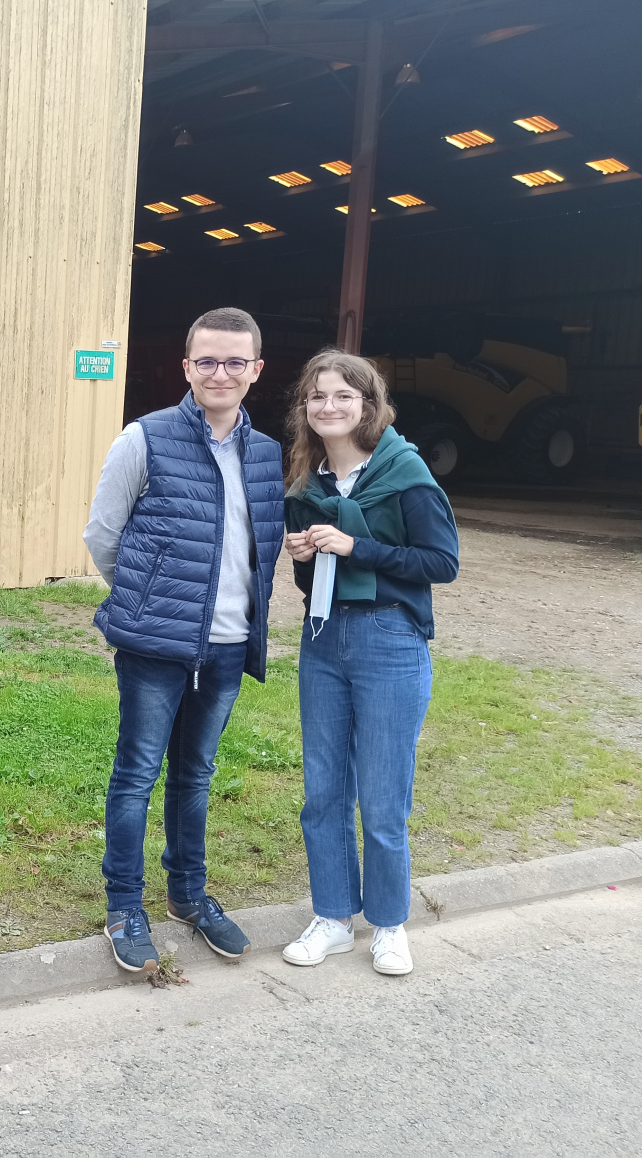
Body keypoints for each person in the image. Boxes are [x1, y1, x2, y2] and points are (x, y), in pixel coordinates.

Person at [84, 307, 285, 972]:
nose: (219, 373)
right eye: (207, 360)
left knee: (195, 775)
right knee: (137, 775)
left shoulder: (266, 455)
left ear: (256, 370)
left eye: (234, 361)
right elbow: (103, 535)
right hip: (155, 646)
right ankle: (124, 906)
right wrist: (145, 601)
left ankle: (188, 895)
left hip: (228, 644)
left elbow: (261, 549)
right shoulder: (144, 439)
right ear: (187, 367)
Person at [280, 348, 458, 977]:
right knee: (323, 792)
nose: (328, 406)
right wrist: (304, 555)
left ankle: (388, 924)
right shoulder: (308, 483)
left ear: (369, 404)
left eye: (343, 395)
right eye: (317, 396)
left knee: (383, 799)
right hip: (323, 638)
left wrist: (359, 547)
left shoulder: (405, 472)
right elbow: (312, 583)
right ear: (306, 408)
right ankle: (332, 918)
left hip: (390, 640)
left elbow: (441, 563)